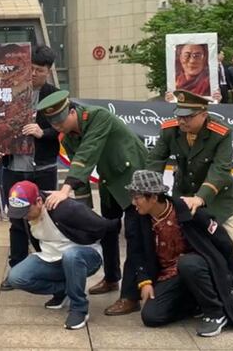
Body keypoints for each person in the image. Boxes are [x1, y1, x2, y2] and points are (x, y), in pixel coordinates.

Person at [37, 90, 147, 315]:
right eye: (52, 123)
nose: (57, 126)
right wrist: (83, 213)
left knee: (135, 236)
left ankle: (130, 297)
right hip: (110, 180)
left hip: (134, 178)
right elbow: (82, 174)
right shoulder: (67, 136)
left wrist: (64, 190)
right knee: (107, 229)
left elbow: (87, 154)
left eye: (60, 121)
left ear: (71, 110)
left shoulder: (98, 116)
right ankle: (111, 278)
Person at [146, 89, 233, 305]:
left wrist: (201, 197)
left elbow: (221, 170)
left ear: (204, 114)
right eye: (179, 115)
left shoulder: (220, 132)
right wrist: (149, 190)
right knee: (183, 246)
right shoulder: (170, 130)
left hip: (218, 201)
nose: (181, 120)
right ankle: (192, 294)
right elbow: (155, 161)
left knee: (232, 244)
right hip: (183, 197)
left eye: (187, 117)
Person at [129, 170, 233, 337]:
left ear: (153, 197)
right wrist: (145, 281)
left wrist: (232, 277)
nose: (134, 202)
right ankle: (196, 303)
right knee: (151, 316)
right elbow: (136, 252)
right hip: (169, 276)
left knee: (188, 263)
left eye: (137, 198)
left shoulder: (188, 211)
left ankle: (216, 313)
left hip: (198, 268)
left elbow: (224, 242)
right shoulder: (139, 218)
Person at [6, 181, 119, 330]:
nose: (24, 217)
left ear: (39, 202)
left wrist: (111, 272)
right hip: (51, 257)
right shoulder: (25, 216)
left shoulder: (65, 209)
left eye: (26, 212)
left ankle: (79, 307)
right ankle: (63, 290)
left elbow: (107, 226)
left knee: (71, 255)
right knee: (16, 277)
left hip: (84, 255)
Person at [0, 45, 61, 290]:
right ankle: (16, 269)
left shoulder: (54, 96)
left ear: (48, 71)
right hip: (14, 166)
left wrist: (42, 132)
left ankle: (47, 266)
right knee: (17, 219)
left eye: (39, 70)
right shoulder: (11, 93)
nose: (34, 74)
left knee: (43, 217)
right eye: (30, 69)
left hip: (42, 166)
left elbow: (64, 127)